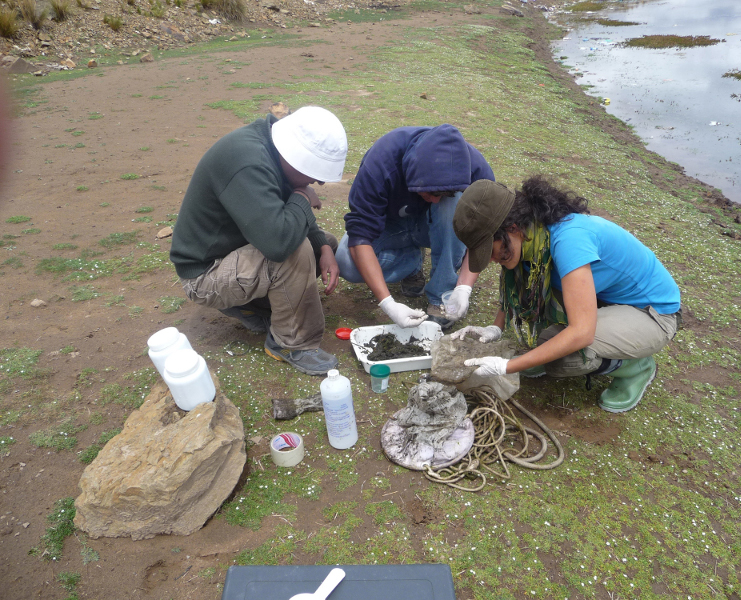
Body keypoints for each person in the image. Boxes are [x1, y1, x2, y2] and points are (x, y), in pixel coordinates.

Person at [451, 177, 681, 412]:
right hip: (606, 300)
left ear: (513, 228)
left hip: (651, 313)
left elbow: (581, 333)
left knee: (566, 359)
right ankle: (604, 343)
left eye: (490, 249)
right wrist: (495, 328)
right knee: (545, 344)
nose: (490, 259)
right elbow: (517, 289)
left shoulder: (570, 240)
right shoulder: (532, 236)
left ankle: (636, 367)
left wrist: (508, 366)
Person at [170, 106, 347, 376]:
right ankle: (290, 343)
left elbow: (288, 217)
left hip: (235, 252)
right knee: (294, 251)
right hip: (206, 275)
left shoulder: (274, 148)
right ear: (296, 159)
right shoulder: (248, 162)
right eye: (314, 174)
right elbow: (278, 244)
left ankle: (254, 308)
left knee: (321, 243)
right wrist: (301, 197)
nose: (318, 184)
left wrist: (323, 247)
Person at [335, 124, 495, 330]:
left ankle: (441, 297)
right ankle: (411, 263)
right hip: (391, 225)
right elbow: (360, 235)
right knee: (346, 262)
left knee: (452, 203)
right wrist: (388, 304)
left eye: (441, 194)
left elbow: (483, 232)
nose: (435, 201)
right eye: (430, 193)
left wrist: (464, 287)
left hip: (439, 228)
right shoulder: (381, 162)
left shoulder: (476, 169)